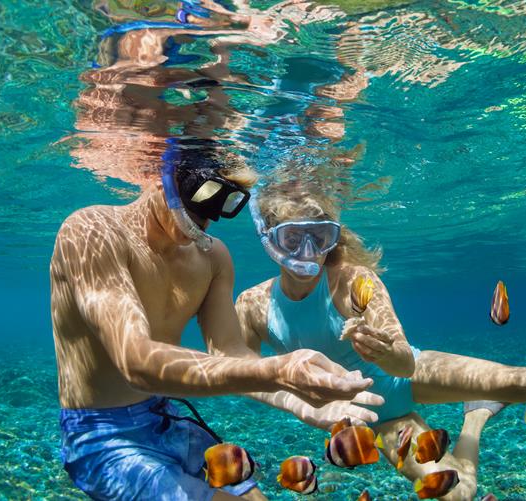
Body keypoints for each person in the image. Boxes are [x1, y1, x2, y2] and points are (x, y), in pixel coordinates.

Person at [233, 179, 526, 500]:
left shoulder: (354, 281)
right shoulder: (252, 306)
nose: (309, 252)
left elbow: (403, 363)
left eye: (320, 236)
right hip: (371, 420)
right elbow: (237, 375)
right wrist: (303, 404)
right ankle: (476, 417)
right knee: (457, 495)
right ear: (268, 238)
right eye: (293, 238)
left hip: (410, 377)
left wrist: (388, 350)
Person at [50, 140, 383, 500]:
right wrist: (279, 372)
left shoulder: (213, 258)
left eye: (223, 205)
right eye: (201, 198)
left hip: (166, 415)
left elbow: (230, 353)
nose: (205, 221)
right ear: (163, 177)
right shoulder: (92, 231)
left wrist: (298, 401)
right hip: (102, 433)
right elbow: (136, 361)